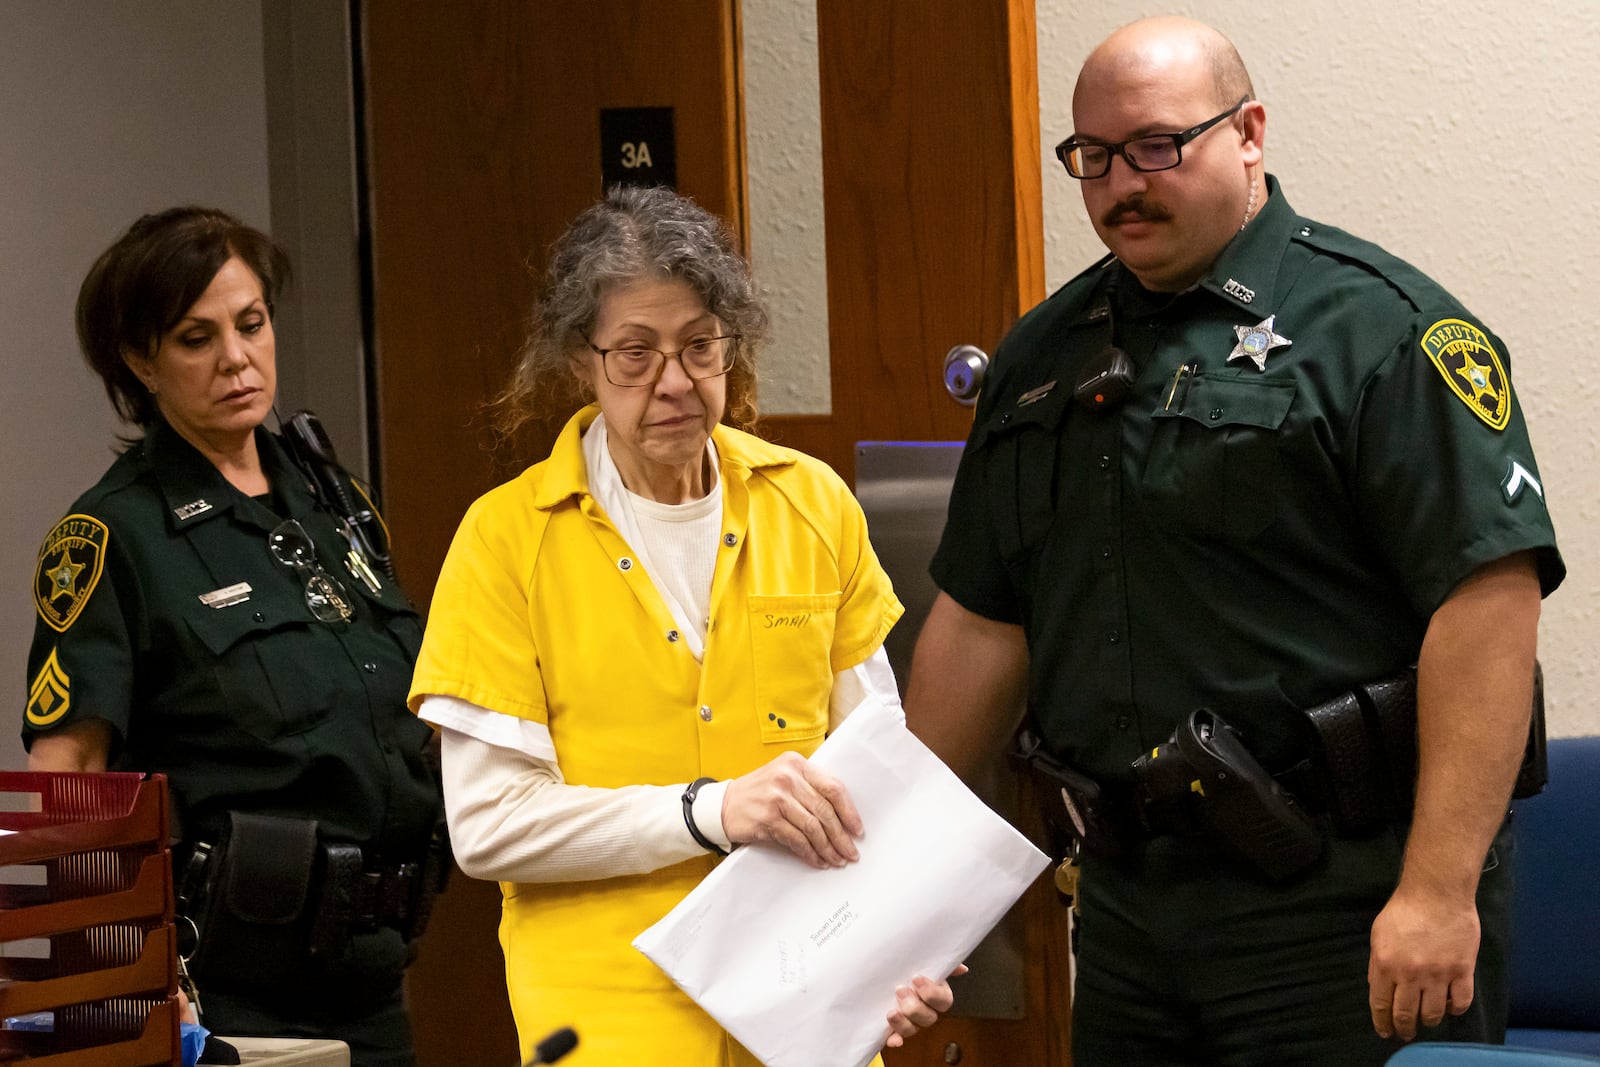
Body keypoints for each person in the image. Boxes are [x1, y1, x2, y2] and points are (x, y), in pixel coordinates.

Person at [905, 16, 1564, 1067]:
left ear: (1249, 131)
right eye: (1095, 157)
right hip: (1130, 913)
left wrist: (1437, 888)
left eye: (1159, 145)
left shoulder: (1380, 330)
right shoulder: (1041, 357)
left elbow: (1487, 604)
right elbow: (983, 624)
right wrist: (891, 885)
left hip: (1343, 906)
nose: (1124, 182)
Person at [408, 184, 959, 1066]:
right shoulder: (505, 539)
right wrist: (709, 813)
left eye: (701, 346)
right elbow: (488, 825)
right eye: (634, 353)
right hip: (610, 1026)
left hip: (810, 1014)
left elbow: (877, 766)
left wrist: (903, 953)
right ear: (579, 360)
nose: (675, 382)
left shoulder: (810, 502)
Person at [22, 206, 445, 1067]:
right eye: (194, 338)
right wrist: (117, 987)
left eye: (251, 324)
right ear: (140, 363)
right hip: (224, 994)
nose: (236, 358)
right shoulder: (114, 536)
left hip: (371, 977)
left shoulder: (337, 504)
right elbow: (68, 781)